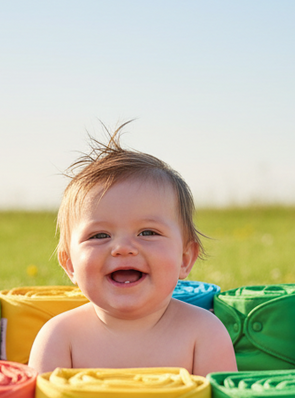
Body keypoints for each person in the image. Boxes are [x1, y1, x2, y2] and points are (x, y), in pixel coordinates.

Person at [29, 125, 237, 377]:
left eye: (147, 232)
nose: (123, 248)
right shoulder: (61, 338)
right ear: (70, 264)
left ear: (185, 258)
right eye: (100, 235)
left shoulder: (204, 334)